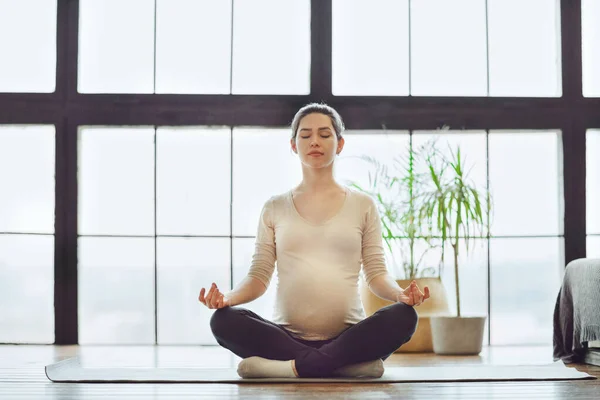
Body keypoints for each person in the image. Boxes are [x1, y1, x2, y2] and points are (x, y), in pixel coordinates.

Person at [198, 103, 430, 379]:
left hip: (349, 337)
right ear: (294, 145)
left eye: (324, 134)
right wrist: (228, 298)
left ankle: (288, 368)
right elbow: (259, 277)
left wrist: (399, 295)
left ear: (340, 144)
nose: (315, 141)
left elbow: (376, 273)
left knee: (404, 316)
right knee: (223, 320)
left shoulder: (362, 205)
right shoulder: (275, 207)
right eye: (305, 135)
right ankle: (345, 367)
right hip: (285, 338)